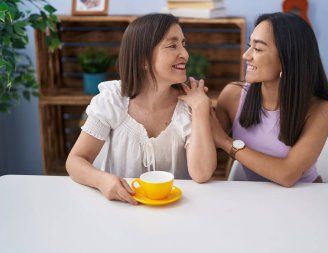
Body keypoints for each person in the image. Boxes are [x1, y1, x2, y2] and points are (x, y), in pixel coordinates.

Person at [66, 13, 217, 204]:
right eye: (173, 45)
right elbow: (75, 161)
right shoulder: (113, 99)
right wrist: (102, 180)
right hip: (119, 208)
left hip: (174, 211)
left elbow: (202, 173)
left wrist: (201, 108)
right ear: (143, 59)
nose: (185, 54)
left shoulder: (189, 105)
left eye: (183, 44)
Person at [211, 12, 328, 187]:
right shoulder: (233, 95)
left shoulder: (321, 109)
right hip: (258, 202)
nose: (246, 55)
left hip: (307, 199)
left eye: (257, 49)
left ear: (286, 59)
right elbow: (203, 152)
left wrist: (226, 143)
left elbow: (287, 174)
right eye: (249, 45)